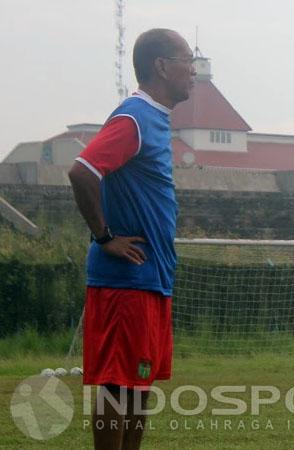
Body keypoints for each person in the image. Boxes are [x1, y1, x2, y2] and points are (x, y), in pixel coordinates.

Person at [68, 28, 195, 450]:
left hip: (151, 277)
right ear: (161, 66)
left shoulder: (156, 119)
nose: (193, 70)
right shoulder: (134, 117)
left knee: (138, 386)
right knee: (117, 386)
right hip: (125, 282)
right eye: (186, 60)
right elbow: (82, 171)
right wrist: (104, 237)